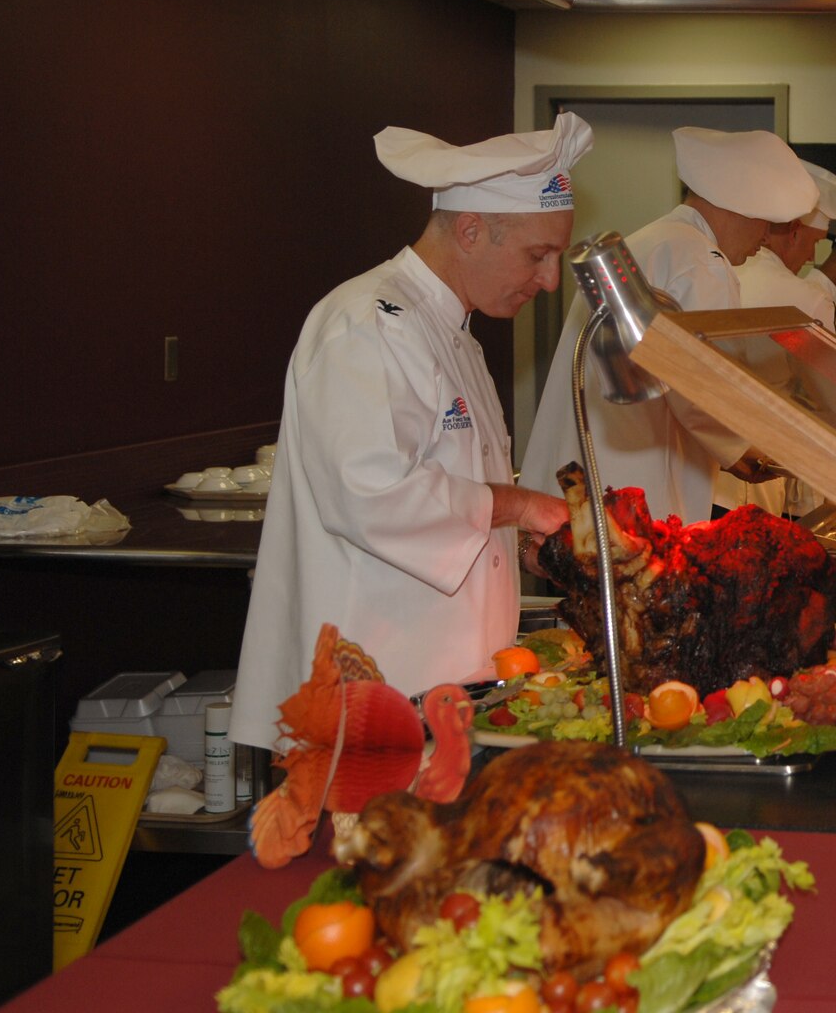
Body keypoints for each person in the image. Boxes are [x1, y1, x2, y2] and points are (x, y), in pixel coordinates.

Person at [230, 114, 593, 748]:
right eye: (539, 255)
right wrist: (518, 505)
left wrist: (525, 540)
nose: (551, 280)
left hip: (447, 690)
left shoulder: (457, 334)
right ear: (472, 231)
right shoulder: (365, 322)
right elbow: (371, 493)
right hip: (375, 695)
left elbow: (453, 500)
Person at [519, 127, 817, 522]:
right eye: (767, 222)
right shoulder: (704, 263)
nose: (765, 238)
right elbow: (703, 392)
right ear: (740, 209)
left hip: (583, 488)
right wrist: (752, 453)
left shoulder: (648, 242)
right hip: (634, 498)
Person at [733, 162, 836, 332]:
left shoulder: (728, 272)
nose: (811, 257)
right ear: (794, 233)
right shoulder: (812, 301)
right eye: (815, 242)